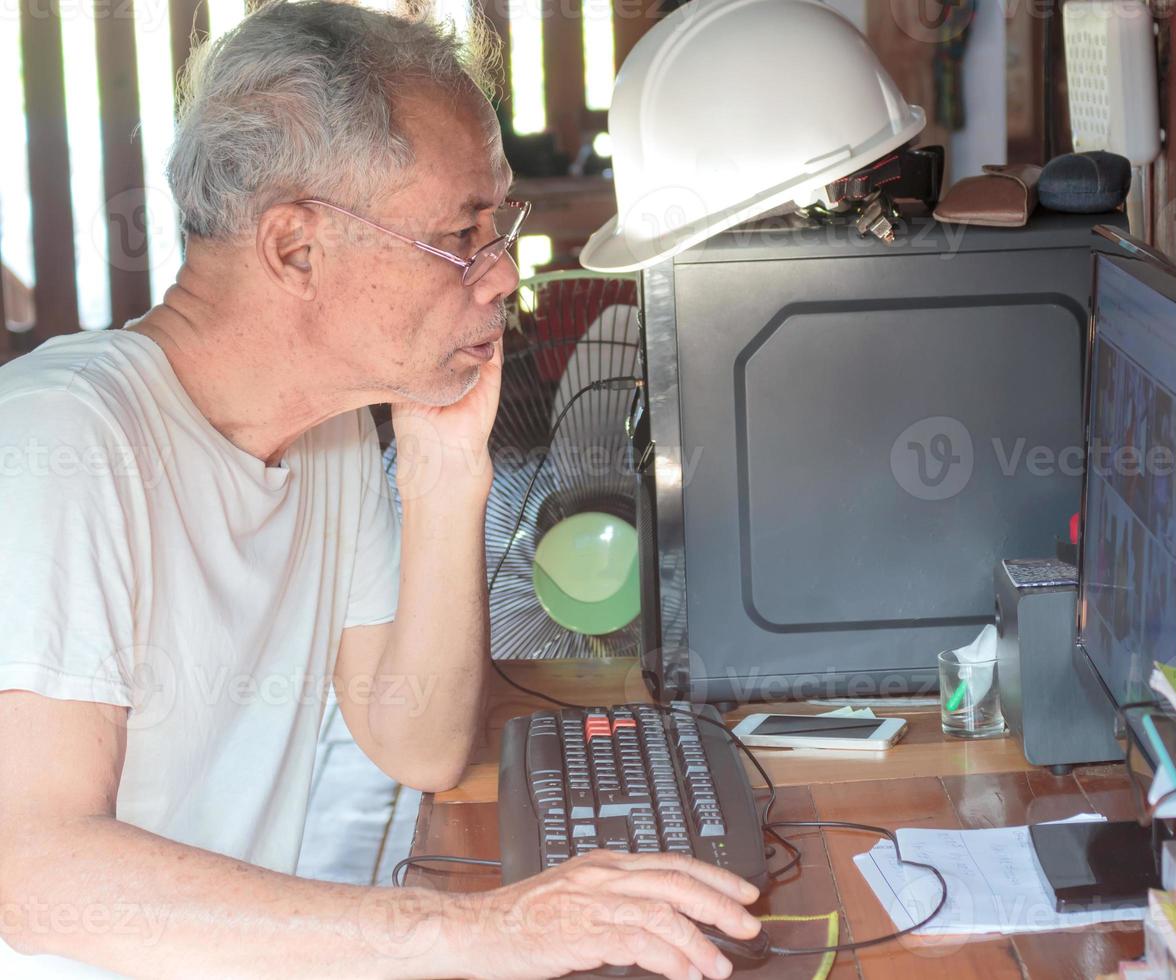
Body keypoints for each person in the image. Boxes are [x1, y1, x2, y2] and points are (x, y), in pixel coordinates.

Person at [0, 3, 759, 978]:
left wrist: (448, 468)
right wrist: (474, 929)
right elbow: (32, 869)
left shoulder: (329, 434)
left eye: (501, 225)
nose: (501, 276)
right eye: (460, 233)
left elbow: (419, 741)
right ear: (294, 248)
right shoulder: (64, 440)